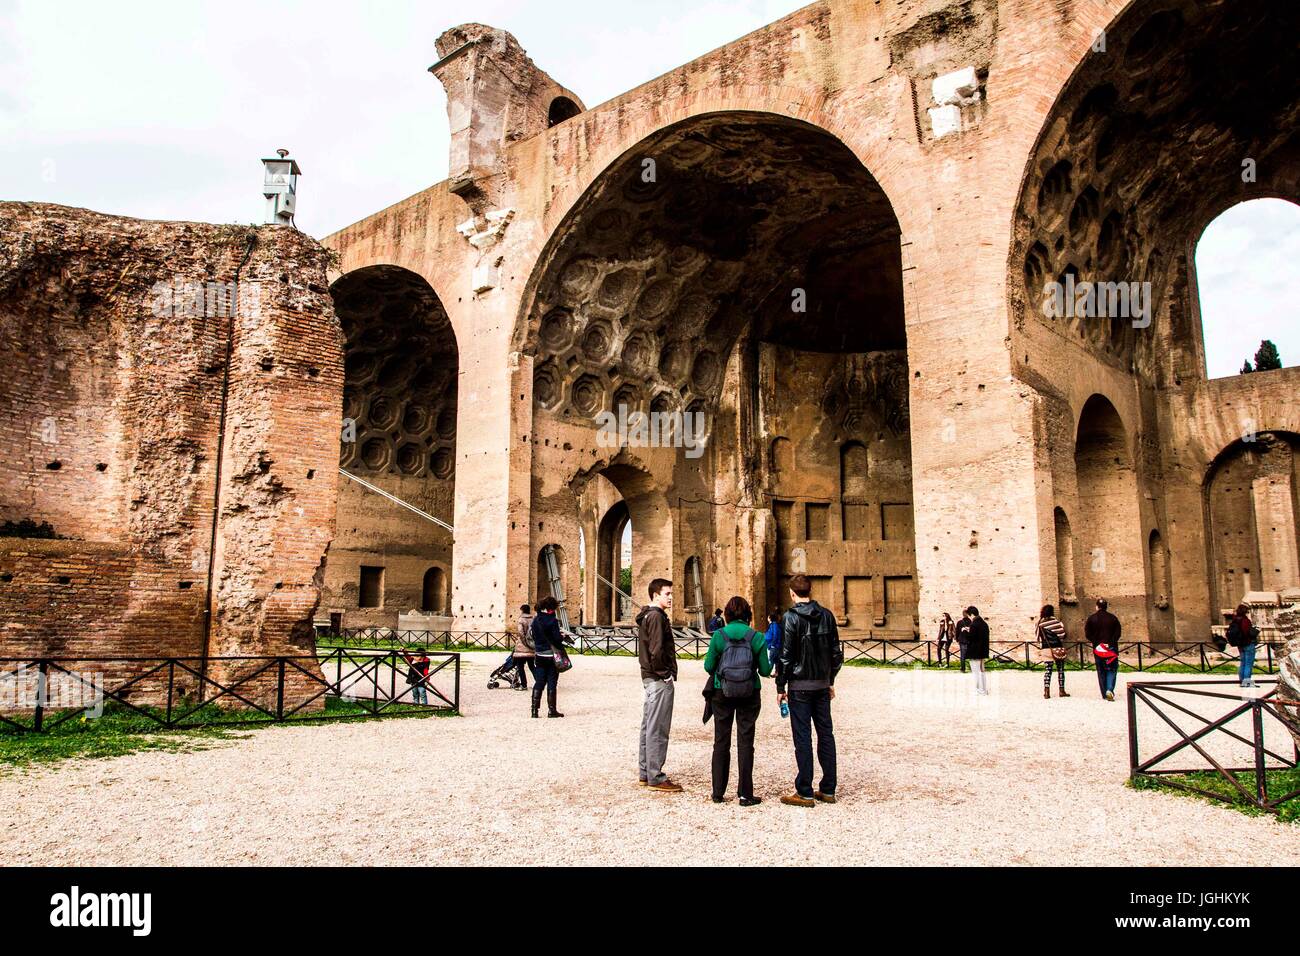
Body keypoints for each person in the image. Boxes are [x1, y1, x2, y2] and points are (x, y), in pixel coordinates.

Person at [776, 574, 843, 807]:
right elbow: (836, 654)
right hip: (821, 686)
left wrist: (780, 686)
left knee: (802, 737)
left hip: (800, 687)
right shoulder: (827, 615)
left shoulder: (790, 618)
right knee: (826, 735)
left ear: (792, 593)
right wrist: (830, 680)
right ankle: (828, 789)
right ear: (810, 591)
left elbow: (785, 656)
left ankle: (804, 791)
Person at [703, 595, 772, 806]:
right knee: (746, 742)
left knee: (721, 741)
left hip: (721, 691)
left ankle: (718, 793)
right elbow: (766, 670)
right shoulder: (756, 637)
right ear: (748, 615)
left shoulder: (719, 636)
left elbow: (708, 666)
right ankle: (745, 794)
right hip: (749, 692)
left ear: (727, 614)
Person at [636, 578, 681, 792]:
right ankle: (655, 775)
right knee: (658, 728)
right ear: (655, 595)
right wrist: (666, 675)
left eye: (671, 593)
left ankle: (646, 772)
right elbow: (656, 650)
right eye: (667, 594)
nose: (671, 597)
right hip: (657, 678)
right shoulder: (655, 617)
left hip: (651, 677)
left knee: (649, 726)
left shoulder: (650, 615)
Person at [529, 596, 565, 718]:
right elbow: (556, 638)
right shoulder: (552, 621)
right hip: (552, 655)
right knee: (552, 682)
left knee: (539, 682)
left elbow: (533, 636)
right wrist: (562, 637)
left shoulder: (535, 620)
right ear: (552, 608)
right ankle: (551, 711)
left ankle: (534, 711)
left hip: (539, 655)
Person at [1085, 598, 1121, 701]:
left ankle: (1104, 693)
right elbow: (1118, 633)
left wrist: (1097, 643)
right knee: (1112, 669)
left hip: (1098, 648)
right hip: (1111, 647)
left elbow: (1088, 634)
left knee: (1101, 670)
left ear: (1097, 607)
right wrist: (1109, 643)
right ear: (1106, 607)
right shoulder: (1113, 618)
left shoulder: (1092, 618)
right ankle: (1109, 689)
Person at [1036, 604, 1070, 699]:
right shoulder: (1056, 622)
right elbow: (1063, 635)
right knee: (1060, 670)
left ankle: (1046, 692)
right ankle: (1061, 691)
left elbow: (1038, 638)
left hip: (1046, 649)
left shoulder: (1039, 623)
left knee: (1048, 671)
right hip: (1057, 649)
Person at [1227, 603, 1259, 688]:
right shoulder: (1245, 620)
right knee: (1248, 663)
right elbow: (1246, 632)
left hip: (1240, 644)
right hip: (1248, 643)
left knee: (1243, 663)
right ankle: (1247, 682)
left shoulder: (1235, 620)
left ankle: (1242, 681)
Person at [965, 606, 990, 695]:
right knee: (982, 671)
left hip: (975, 651)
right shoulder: (984, 624)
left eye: (969, 615)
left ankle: (979, 690)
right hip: (983, 650)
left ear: (971, 614)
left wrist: (966, 632)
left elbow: (971, 638)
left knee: (976, 672)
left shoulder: (974, 624)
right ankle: (984, 689)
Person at [513, 603, 536, 692]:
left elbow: (521, 632)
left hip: (522, 647)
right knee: (532, 666)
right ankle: (539, 682)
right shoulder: (533, 619)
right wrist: (531, 643)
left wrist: (525, 642)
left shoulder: (521, 619)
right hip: (531, 646)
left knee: (520, 667)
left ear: (522, 610)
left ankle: (524, 685)